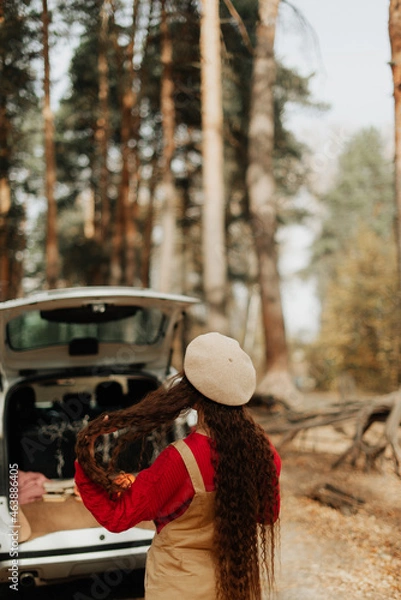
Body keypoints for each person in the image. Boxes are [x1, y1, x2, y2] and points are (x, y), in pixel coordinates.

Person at [74, 332, 281, 600]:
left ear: (191, 394)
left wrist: (84, 466)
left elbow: (118, 516)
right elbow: (267, 515)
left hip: (177, 588)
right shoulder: (264, 452)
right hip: (232, 587)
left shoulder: (179, 460)